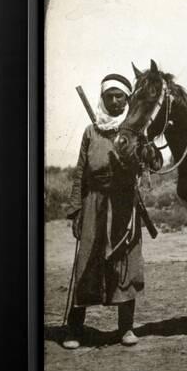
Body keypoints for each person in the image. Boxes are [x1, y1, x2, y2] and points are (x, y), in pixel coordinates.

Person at [63, 73, 144, 349]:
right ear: (103, 98)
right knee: (86, 262)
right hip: (93, 203)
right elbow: (79, 173)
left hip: (123, 205)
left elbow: (147, 166)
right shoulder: (91, 131)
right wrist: (76, 210)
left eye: (119, 96)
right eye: (109, 96)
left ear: (127, 99)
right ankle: (74, 329)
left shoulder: (134, 132)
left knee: (124, 264)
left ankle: (126, 329)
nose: (113, 100)